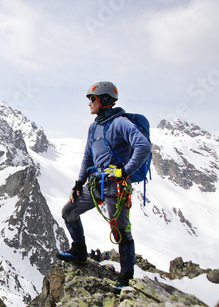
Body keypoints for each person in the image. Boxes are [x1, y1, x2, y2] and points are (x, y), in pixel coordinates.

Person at [56, 81, 151, 289]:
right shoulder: (94, 127)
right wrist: (79, 183)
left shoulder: (121, 123)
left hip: (115, 187)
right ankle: (79, 252)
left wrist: (124, 171)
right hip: (95, 184)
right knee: (69, 212)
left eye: (93, 98)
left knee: (120, 231)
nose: (89, 102)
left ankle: (126, 278)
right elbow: (88, 157)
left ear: (104, 100)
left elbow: (143, 146)